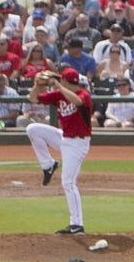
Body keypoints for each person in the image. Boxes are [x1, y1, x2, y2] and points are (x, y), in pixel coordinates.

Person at [29, 65, 97, 235]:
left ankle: (77, 224)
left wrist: (58, 86)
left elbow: (77, 102)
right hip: (64, 137)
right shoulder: (59, 94)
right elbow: (33, 99)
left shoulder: (83, 95)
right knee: (32, 129)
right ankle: (49, 165)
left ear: (66, 81)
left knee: (68, 182)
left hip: (77, 143)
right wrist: (38, 84)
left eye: (61, 79)